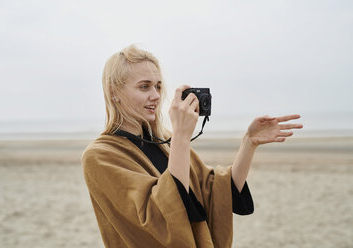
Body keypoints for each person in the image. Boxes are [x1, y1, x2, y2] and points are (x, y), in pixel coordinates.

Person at [81, 45, 303, 248]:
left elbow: (218, 191)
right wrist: (181, 135)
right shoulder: (100, 156)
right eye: (144, 87)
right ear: (114, 92)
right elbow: (158, 216)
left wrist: (249, 143)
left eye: (158, 86)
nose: (156, 96)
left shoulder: (165, 143)